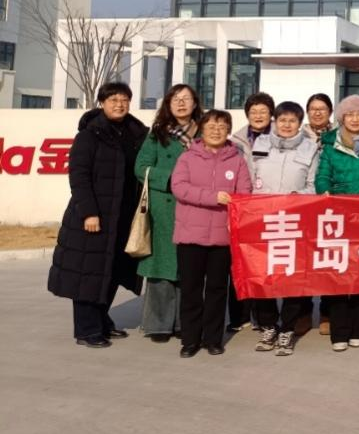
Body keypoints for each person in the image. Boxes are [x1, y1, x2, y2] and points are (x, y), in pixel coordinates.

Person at [49, 82, 148, 348]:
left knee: (112, 271)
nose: (119, 104)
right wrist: (89, 213)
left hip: (123, 217)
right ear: (102, 103)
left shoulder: (136, 134)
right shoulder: (89, 135)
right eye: (113, 99)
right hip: (94, 217)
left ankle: (102, 320)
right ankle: (87, 330)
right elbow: (78, 176)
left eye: (124, 99)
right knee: (88, 272)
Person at [171, 109, 251, 357]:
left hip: (222, 238)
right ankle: (190, 340)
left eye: (222, 126)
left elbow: (244, 192)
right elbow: (179, 187)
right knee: (191, 290)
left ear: (228, 131)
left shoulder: (237, 160)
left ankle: (213, 339)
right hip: (190, 236)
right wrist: (213, 197)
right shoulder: (187, 157)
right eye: (211, 126)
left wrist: (235, 199)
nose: (216, 131)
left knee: (217, 290)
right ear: (202, 130)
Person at [249, 101, 320, 357]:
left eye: (292, 121)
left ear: (300, 123)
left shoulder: (311, 148)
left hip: (294, 221)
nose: (287, 125)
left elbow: (313, 185)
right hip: (261, 220)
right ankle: (268, 326)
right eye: (282, 120)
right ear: (274, 122)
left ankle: (287, 328)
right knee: (262, 276)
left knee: (292, 277)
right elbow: (248, 180)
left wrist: (298, 196)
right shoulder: (259, 145)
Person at [315, 95, 359, 351]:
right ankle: (339, 331)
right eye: (349, 115)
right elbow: (322, 176)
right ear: (342, 118)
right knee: (338, 274)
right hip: (339, 218)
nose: (355, 119)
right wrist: (324, 192)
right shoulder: (330, 145)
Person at [134, 84, 202, 344]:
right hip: (163, 208)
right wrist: (171, 178)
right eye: (176, 99)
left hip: (195, 207)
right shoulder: (158, 134)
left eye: (186, 98)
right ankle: (159, 325)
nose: (181, 103)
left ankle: (185, 322)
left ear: (195, 103)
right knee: (161, 266)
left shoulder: (204, 132)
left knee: (190, 267)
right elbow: (141, 167)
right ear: (168, 104)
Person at [227, 91, 275, 332]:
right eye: (253, 111)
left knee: (266, 264)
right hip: (244, 207)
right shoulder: (235, 141)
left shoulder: (280, 137)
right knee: (240, 261)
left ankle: (264, 317)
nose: (258, 115)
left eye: (263, 111)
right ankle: (239, 316)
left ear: (271, 114)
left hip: (271, 207)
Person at [303, 92, 335, 335]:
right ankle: (303, 312)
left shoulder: (339, 136)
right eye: (313, 109)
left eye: (322, 109)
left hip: (330, 206)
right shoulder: (298, 135)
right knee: (303, 261)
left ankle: (327, 312)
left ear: (330, 112)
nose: (317, 113)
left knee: (329, 260)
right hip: (304, 207)